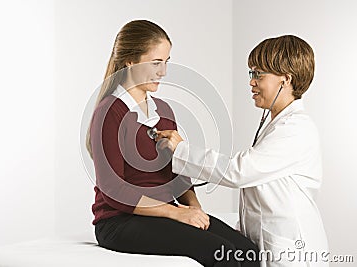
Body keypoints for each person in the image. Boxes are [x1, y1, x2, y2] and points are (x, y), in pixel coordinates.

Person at [86, 20, 260, 267]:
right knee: (220, 252)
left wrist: (195, 209)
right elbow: (113, 191)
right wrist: (178, 213)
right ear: (130, 61)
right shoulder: (109, 112)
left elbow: (177, 173)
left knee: (248, 252)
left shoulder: (164, 111)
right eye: (156, 62)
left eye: (166, 62)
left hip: (163, 213)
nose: (163, 71)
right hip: (119, 221)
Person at [157, 35, 329, 266]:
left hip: (292, 251)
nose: (251, 82)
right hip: (270, 244)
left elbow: (240, 171)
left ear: (285, 80)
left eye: (259, 74)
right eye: (251, 73)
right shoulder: (277, 124)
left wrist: (182, 150)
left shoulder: (296, 129)